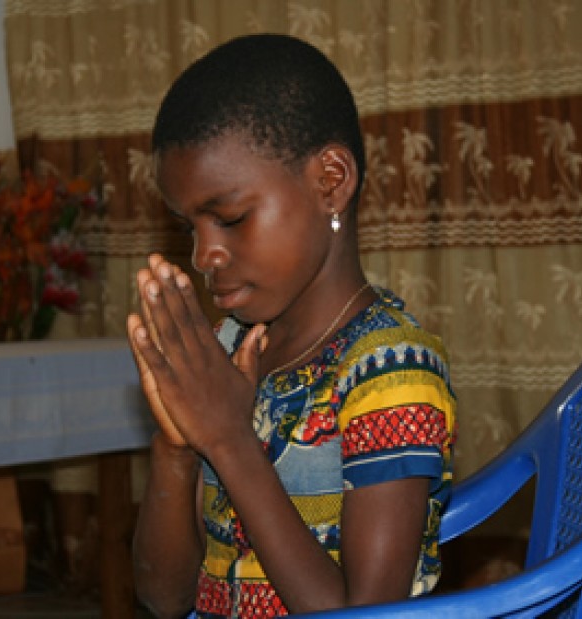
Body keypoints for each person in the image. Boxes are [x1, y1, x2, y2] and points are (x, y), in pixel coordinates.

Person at [126, 33, 457, 618]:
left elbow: (364, 613)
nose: (204, 256)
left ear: (330, 180)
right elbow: (163, 598)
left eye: (228, 218)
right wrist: (177, 449)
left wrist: (229, 441)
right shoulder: (230, 348)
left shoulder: (390, 372)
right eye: (189, 228)